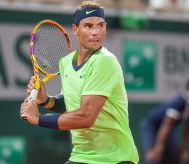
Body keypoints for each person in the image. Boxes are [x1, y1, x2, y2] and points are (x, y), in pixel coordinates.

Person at [20, 1, 139, 164]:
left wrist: (38, 118)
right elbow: (73, 105)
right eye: (88, 26)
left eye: (100, 26)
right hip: (82, 156)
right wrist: (46, 101)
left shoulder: (105, 62)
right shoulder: (66, 63)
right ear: (75, 29)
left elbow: (85, 117)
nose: (96, 32)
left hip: (115, 158)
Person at [140, 80, 189, 164]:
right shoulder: (179, 102)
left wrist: (184, 149)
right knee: (153, 156)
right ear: (187, 91)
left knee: (181, 156)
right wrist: (159, 147)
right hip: (151, 126)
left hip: (168, 129)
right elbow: (166, 125)